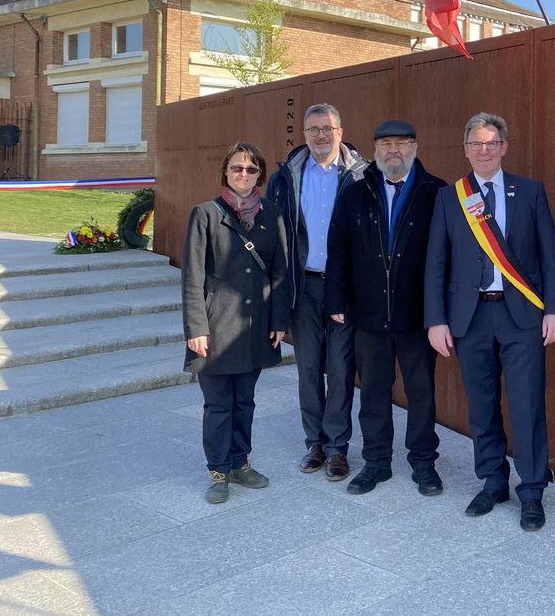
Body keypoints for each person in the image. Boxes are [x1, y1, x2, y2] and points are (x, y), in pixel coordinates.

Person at [425, 112, 555, 531]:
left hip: (521, 315)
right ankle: (493, 481)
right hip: (469, 317)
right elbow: (436, 263)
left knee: (526, 404)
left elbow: (550, 255)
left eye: (491, 143)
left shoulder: (529, 191)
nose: (483, 150)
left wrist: (554, 309)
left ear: (504, 147)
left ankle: (532, 490)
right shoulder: (450, 197)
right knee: (482, 404)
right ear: (465, 149)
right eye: (476, 144)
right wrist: (436, 319)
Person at [325, 119, 447, 495]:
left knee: (421, 392)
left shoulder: (436, 192)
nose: (394, 150)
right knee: (373, 391)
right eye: (386, 143)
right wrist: (336, 299)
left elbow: (446, 256)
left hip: (417, 314)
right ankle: (376, 463)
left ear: (415, 146)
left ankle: (423, 463)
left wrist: (440, 312)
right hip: (369, 312)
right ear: (376, 149)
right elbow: (338, 249)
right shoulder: (355, 193)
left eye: (402, 143)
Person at [182, 142, 289, 504]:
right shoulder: (205, 214)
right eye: (237, 168)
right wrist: (196, 328)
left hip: (254, 326)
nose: (244, 174)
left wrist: (278, 320)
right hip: (215, 325)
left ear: (261, 174)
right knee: (218, 404)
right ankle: (218, 470)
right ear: (225, 172)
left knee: (245, 400)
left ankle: (241, 462)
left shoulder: (272, 213)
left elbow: (280, 272)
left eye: (251, 169)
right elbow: (192, 277)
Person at [265, 104, 368, 482]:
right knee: (308, 367)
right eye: (313, 129)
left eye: (327, 128)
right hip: (302, 285)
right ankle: (316, 443)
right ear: (305, 135)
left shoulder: (361, 175)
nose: (321, 135)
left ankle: (338, 447)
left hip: (344, 287)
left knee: (340, 369)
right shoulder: (286, 176)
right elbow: (273, 237)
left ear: (341, 131)